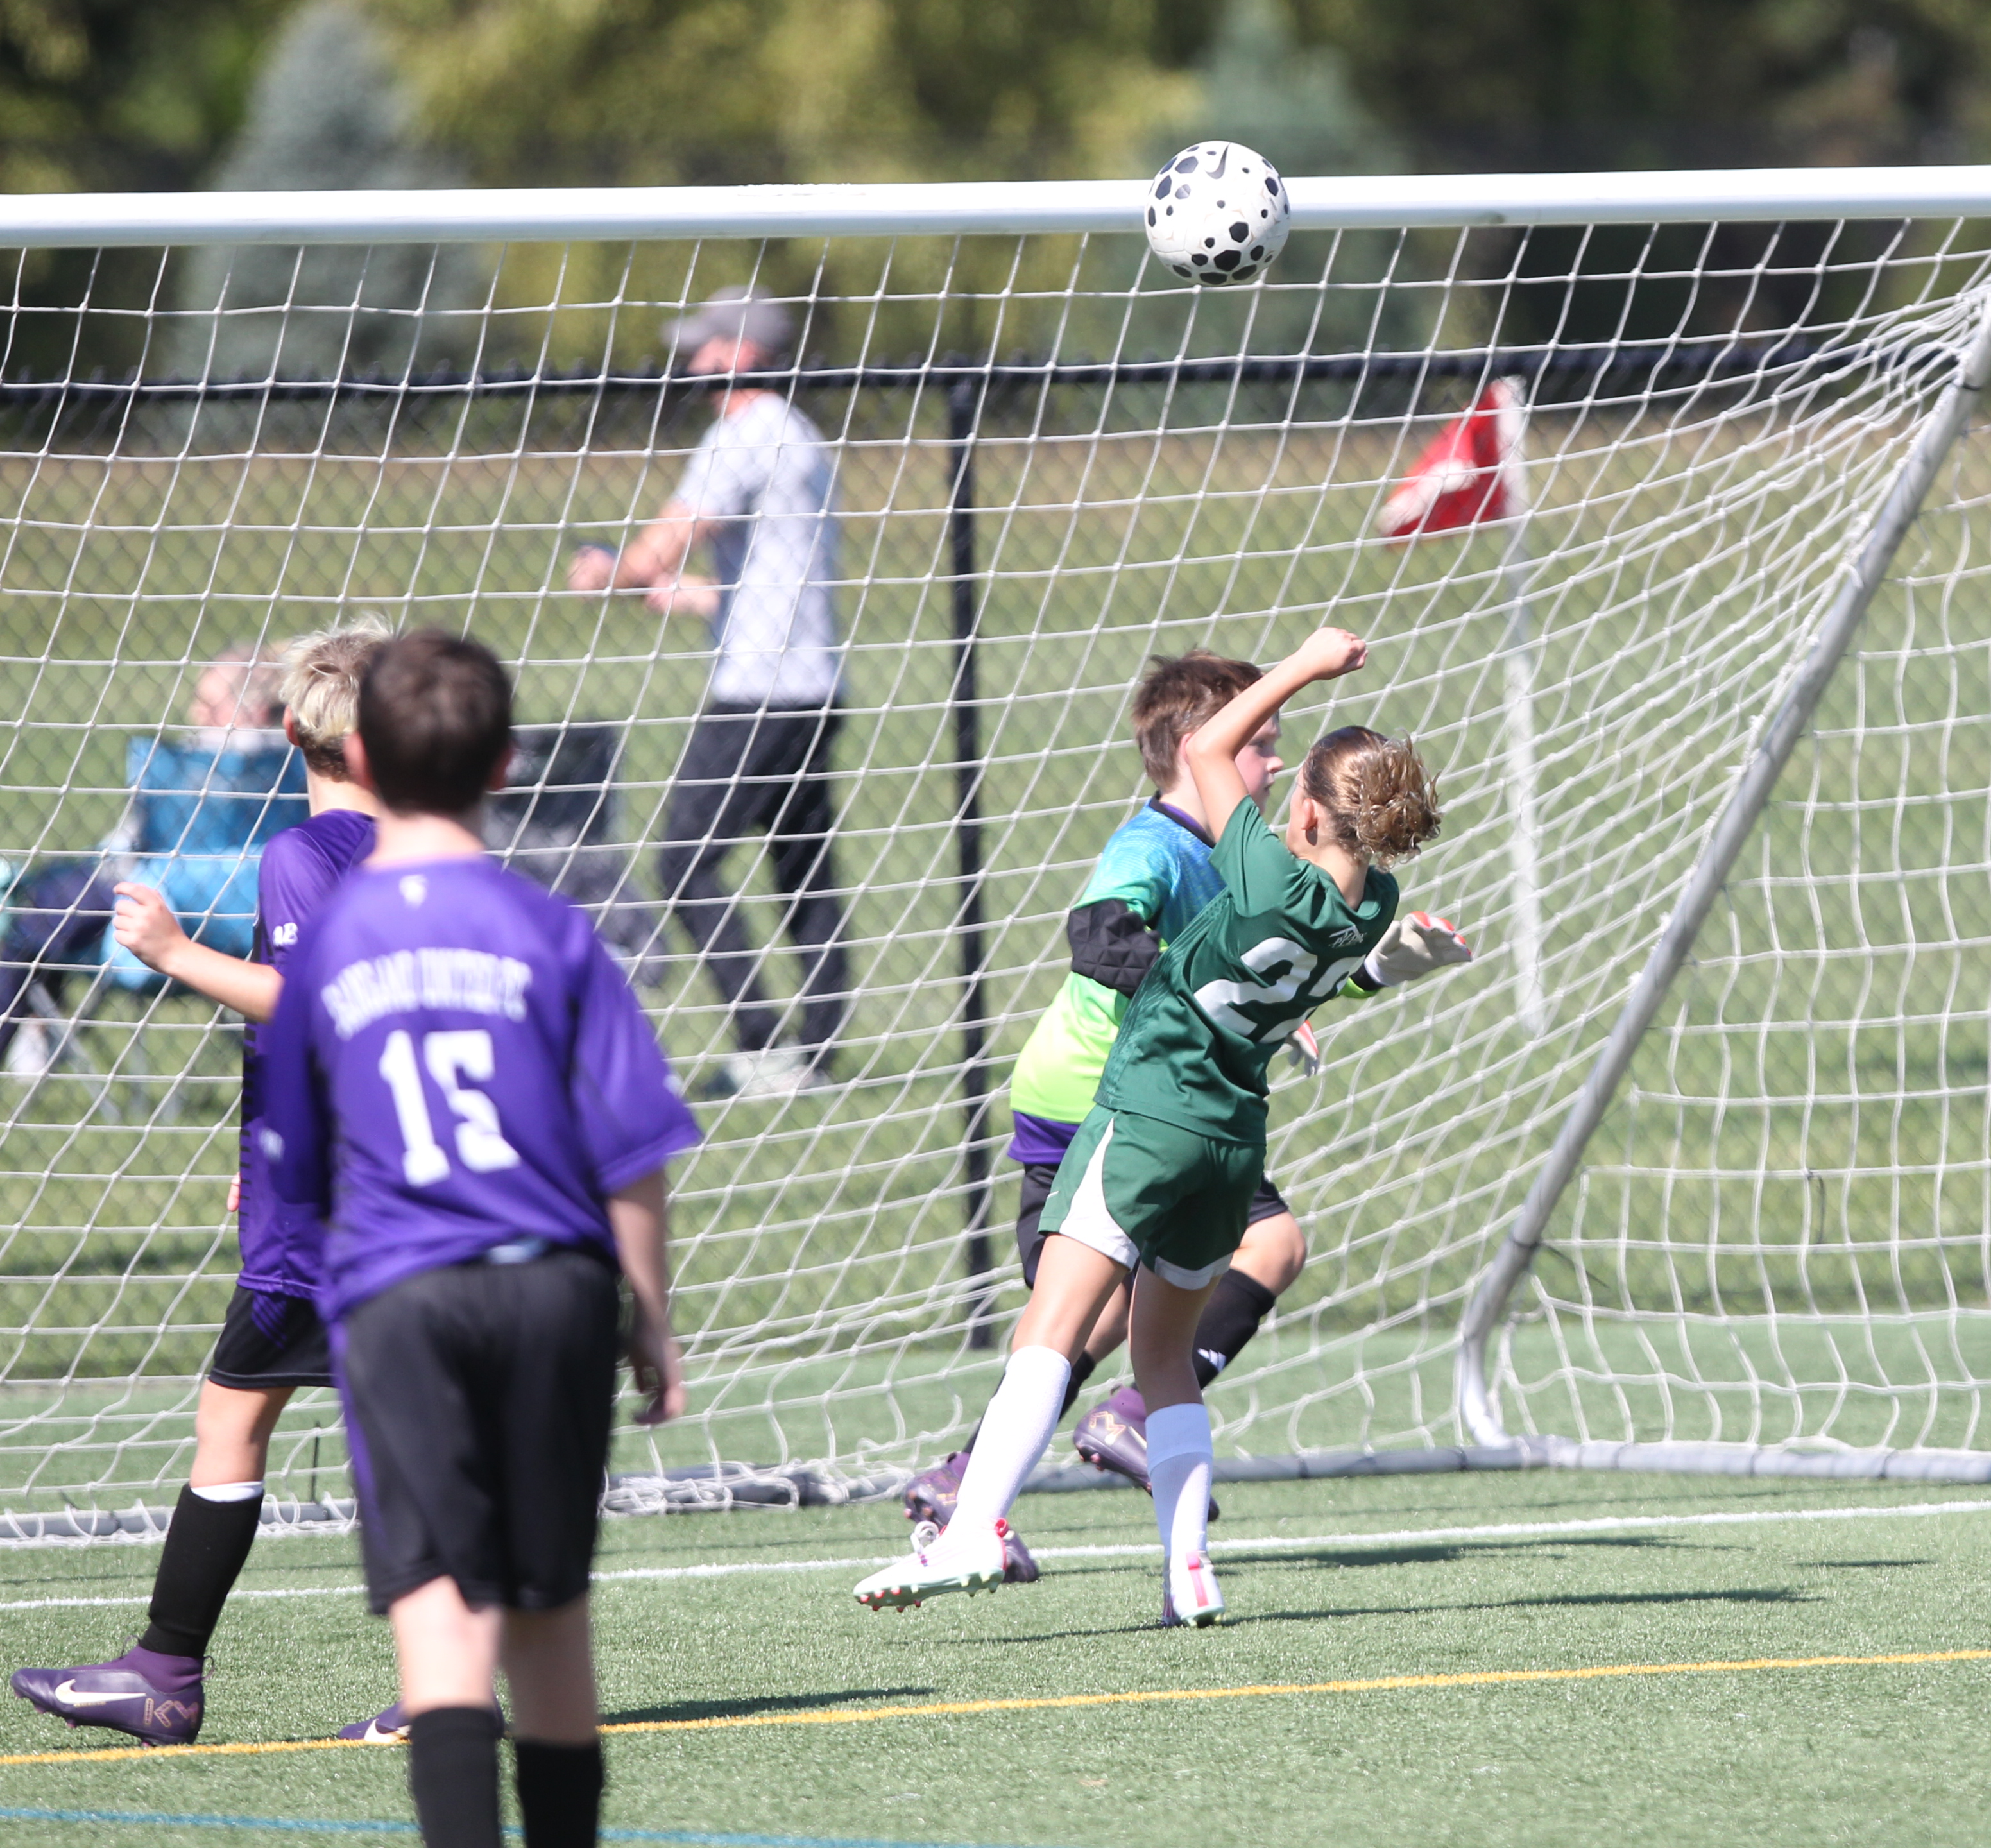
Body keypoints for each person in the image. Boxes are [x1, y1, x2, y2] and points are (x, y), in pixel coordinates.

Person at [855, 626, 1442, 1626]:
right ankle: (1189, 1571)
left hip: (1150, 1111)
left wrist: (1304, 664)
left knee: (1050, 1328)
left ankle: (970, 1528)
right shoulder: (1372, 904)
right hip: (1232, 1140)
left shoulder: (1259, 872)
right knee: (1162, 1360)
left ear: (1305, 812)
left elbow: (1205, 751)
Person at [261, 631, 699, 1848]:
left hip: (400, 1297)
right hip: (553, 1289)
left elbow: (296, 1156)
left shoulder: (330, 940)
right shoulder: (551, 929)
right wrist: (652, 1317)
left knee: (441, 1620)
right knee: (549, 1620)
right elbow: (632, 1150)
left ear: (357, 758)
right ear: (507, 763)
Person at [8, 622, 402, 1748]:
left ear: (293, 734)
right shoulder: (437, 855)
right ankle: (181, 1669)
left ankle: (169, 1674)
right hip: (393, 1187)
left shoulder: (307, 854)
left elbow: (316, 1005)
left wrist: (175, 954)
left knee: (238, 1422)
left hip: (329, 1212)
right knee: (377, 1430)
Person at [567, 284, 849, 1098]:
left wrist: (612, 570)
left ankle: (764, 1043)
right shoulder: (799, 433)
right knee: (802, 867)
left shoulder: (741, 433)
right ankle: (817, 1049)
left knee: (684, 862)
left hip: (758, 691)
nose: (691, 360)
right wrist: (692, 597)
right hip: (814, 685)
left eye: (706, 347)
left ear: (744, 355)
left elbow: (665, 542)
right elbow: (770, 573)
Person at [2, 649, 303, 1075]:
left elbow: (133, 848)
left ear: (252, 709)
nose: (195, 714)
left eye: (208, 704)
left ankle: (34, 1014)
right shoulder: (302, 767)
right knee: (45, 913)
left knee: (31, 913)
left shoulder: (199, 768)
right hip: (259, 926)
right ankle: (39, 1015)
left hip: (164, 911)